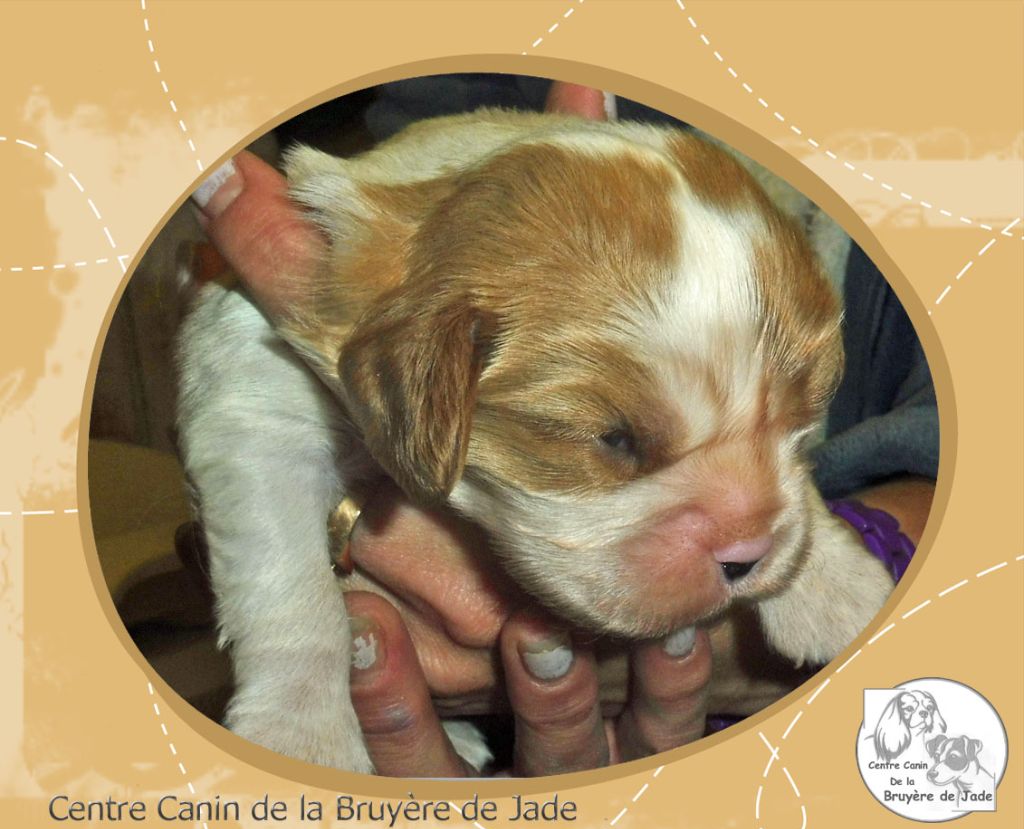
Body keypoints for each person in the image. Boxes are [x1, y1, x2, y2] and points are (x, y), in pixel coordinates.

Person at [188, 81, 936, 776]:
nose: (747, 537)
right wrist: (297, 677)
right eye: (619, 442)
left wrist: (822, 562)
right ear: (425, 369)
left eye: (788, 428)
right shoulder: (365, 295)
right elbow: (253, 435)